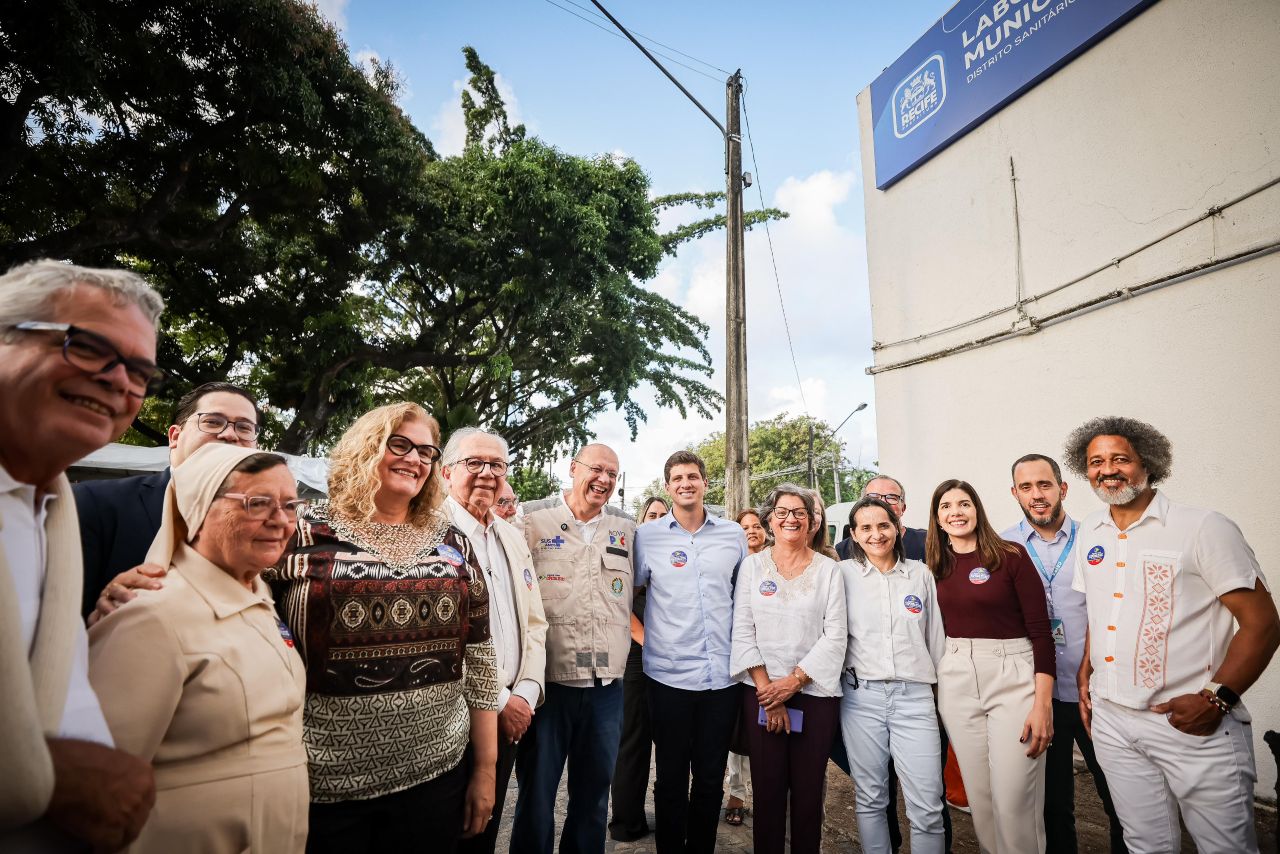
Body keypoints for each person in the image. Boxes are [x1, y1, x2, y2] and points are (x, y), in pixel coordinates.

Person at [264, 402, 500, 854]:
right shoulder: (301, 530)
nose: (415, 459)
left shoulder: (452, 542)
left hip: (436, 776)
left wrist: (485, 770)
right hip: (322, 785)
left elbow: (481, 655)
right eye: (400, 444)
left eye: (427, 453)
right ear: (366, 447)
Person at [1064, 417, 1280, 854]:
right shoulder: (1090, 529)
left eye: (1120, 458)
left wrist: (1216, 698)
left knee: (1226, 848)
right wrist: (1088, 673)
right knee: (1146, 844)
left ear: (1148, 463)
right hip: (1112, 724)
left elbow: (1263, 624)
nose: (1108, 470)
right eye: (1096, 461)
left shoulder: (1204, 527)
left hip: (1190, 724)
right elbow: (1101, 610)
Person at [0, 259, 159, 849]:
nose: (119, 380)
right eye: (89, 347)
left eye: (141, 371)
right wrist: (46, 776)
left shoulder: (47, 510)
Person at [88, 445, 308, 851]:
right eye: (258, 503)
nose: (280, 521)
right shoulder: (149, 615)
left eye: (290, 505)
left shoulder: (259, 596)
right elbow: (96, 783)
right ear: (198, 507)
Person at [513, 444, 636, 854]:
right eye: (596, 469)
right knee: (536, 795)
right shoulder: (530, 521)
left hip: (606, 689)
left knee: (593, 796)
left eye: (613, 475)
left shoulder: (627, 529)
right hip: (549, 685)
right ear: (572, 469)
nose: (603, 480)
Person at [1000, 454, 1126, 853]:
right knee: (1053, 805)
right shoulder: (1004, 545)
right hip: (1042, 695)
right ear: (1015, 493)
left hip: (1096, 691)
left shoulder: (1096, 536)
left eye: (1044, 485)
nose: (1036, 495)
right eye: (1026, 487)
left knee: (1119, 798)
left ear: (1062, 489)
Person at [928, 479, 1054, 854]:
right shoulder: (931, 567)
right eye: (946, 506)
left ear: (977, 509)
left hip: (1012, 675)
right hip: (956, 677)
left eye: (964, 504)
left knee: (1015, 799)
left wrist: (1042, 704)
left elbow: (1041, 633)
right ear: (937, 517)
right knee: (980, 799)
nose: (956, 512)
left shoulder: (1010, 555)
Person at [633, 452, 748, 853]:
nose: (686, 483)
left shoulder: (733, 534)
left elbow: (744, 599)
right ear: (667, 486)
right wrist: (647, 639)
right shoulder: (646, 537)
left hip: (723, 677)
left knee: (710, 774)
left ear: (705, 483)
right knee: (669, 776)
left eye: (693, 476)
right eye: (678, 478)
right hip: (668, 677)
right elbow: (621, 596)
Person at [443, 427, 548, 854]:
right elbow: (442, 641)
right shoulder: (428, 533)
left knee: (483, 834)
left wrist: (525, 692)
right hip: (452, 719)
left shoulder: (510, 536)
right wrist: (500, 701)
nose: (487, 473)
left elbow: (535, 622)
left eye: (497, 465)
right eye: (475, 463)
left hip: (512, 716)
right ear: (446, 472)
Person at [832, 475, 950, 854]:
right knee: (870, 799)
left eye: (883, 525)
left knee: (928, 805)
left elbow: (937, 641)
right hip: (861, 699)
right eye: (865, 528)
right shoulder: (841, 575)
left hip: (915, 700)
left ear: (897, 528)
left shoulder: (921, 574)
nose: (876, 534)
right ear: (853, 533)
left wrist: (938, 696)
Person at [76, 380, 260, 619]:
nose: (229, 435)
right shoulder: (94, 504)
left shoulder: (267, 526)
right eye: (213, 422)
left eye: (244, 428)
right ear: (175, 436)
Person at [729, 483, 846, 854]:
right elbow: (743, 630)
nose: (791, 518)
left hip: (815, 694)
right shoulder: (752, 566)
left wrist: (792, 683)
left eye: (800, 512)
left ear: (813, 522)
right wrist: (770, 693)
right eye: (782, 512)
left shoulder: (829, 570)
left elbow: (836, 635)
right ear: (770, 520)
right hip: (762, 696)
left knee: (809, 794)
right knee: (767, 792)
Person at [609, 494, 670, 843]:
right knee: (632, 741)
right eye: (652, 514)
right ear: (641, 520)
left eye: (664, 514)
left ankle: (671, 813)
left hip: (670, 661)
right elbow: (620, 605)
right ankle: (626, 821)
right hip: (635, 656)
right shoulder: (629, 556)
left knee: (672, 742)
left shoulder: (672, 554)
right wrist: (650, 642)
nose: (658, 519)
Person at [722, 507, 767, 827]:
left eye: (757, 525)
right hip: (740, 659)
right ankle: (736, 794)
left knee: (770, 731)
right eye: (745, 526)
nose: (751, 530)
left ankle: (769, 794)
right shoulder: (732, 564)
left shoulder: (778, 559)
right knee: (739, 734)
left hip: (776, 661)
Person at [836, 475, 925, 561]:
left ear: (903, 508)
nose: (881, 503)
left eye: (891, 497)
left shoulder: (927, 542)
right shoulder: (842, 550)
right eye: (873, 497)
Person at [808, 491, 840, 560]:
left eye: (816, 512)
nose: (811, 516)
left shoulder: (831, 556)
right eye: (807, 510)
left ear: (822, 518)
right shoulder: (781, 555)